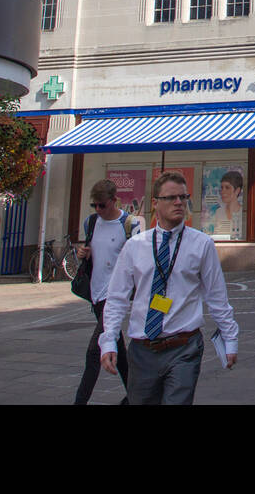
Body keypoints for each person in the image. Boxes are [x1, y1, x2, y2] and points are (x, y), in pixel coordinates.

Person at [100, 172, 239, 404]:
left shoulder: (201, 244)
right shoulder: (135, 246)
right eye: (171, 198)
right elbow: (117, 298)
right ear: (155, 203)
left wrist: (230, 338)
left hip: (184, 347)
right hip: (143, 349)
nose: (178, 203)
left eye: (183, 197)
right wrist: (109, 340)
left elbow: (216, 296)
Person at [75, 180, 138, 405]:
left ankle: (79, 401)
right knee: (117, 348)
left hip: (115, 295)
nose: (98, 210)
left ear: (113, 200)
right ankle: (137, 395)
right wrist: (84, 253)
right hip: (95, 292)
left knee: (95, 351)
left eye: (102, 205)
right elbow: (92, 251)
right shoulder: (91, 222)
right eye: (95, 205)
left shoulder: (129, 224)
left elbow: (137, 259)